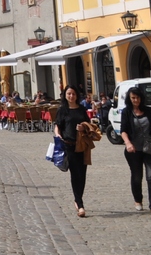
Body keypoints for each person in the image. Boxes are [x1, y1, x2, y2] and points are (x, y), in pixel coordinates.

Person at [118, 86, 151, 216]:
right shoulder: (126, 112)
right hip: (133, 150)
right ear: (129, 99)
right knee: (137, 177)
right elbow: (123, 130)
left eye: (137, 97)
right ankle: (138, 200)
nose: (135, 100)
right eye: (133, 98)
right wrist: (128, 143)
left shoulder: (148, 111)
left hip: (149, 148)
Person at [54, 85, 93, 217]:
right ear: (65, 95)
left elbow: (89, 124)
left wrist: (83, 127)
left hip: (82, 145)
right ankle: (79, 202)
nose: (71, 96)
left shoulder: (81, 109)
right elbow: (58, 126)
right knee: (75, 174)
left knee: (82, 174)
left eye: (73, 94)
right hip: (68, 145)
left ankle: (78, 198)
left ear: (77, 95)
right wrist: (58, 136)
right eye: (69, 94)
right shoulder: (62, 110)